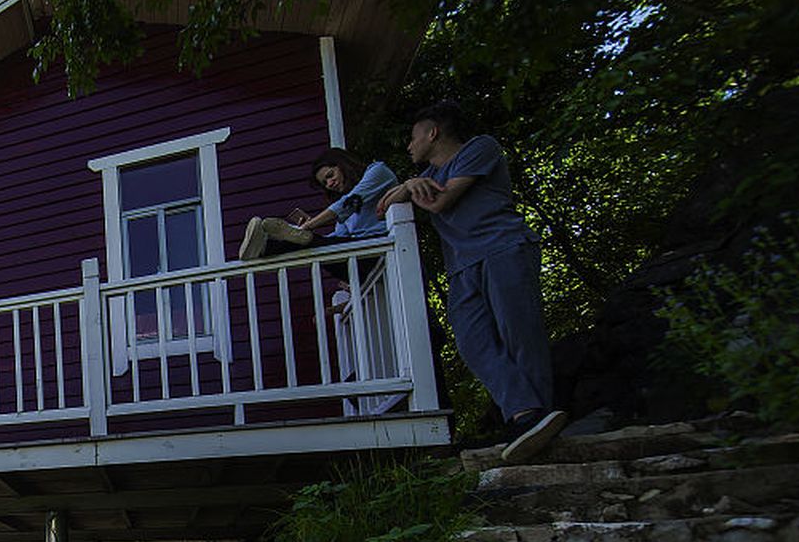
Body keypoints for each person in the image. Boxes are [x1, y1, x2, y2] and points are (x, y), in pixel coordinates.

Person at [377, 101, 566, 462]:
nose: (408, 145)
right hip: (461, 267)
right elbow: (384, 206)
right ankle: (528, 413)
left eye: (413, 136)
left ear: (433, 132)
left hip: (502, 248)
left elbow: (440, 202)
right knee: (471, 341)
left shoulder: (480, 148)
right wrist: (408, 185)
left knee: (519, 334)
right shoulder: (425, 174)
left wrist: (413, 187)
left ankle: (532, 419)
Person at [238, 147, 398, 259]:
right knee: (313, 243)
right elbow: (338, 237)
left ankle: (268, 245)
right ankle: (265, 246)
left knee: (311, 240)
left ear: (343, 164)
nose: (330, 183)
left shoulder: (378, 171)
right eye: (325, 182)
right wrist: (307, 234)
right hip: (359, 255)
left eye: (330, 175)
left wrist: (310, 226)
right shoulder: (344, 213)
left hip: (381, 246)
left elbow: (349, 203)